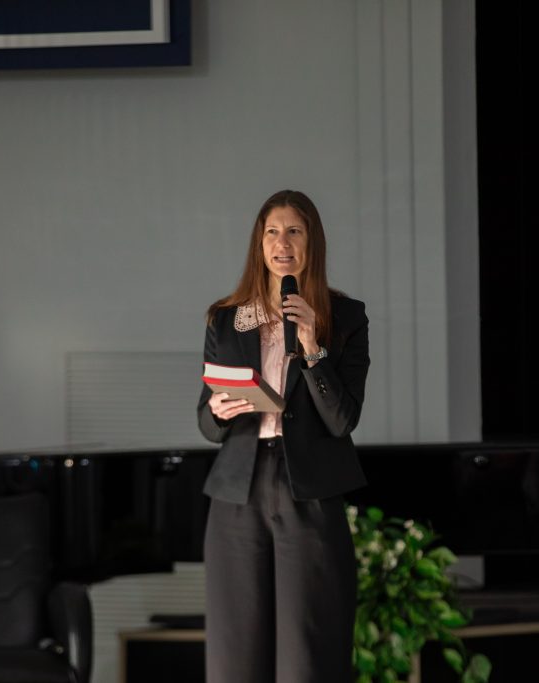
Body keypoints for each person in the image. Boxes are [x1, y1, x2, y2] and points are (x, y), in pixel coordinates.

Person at [196, 189, 371, 683]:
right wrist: (218, 409)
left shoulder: (345, 318)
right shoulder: (225, 319)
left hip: (308, 490)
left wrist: (313, 349)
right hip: (236, 491)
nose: (282, 242)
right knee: (235, 656)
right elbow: (206, 425)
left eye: (294, 230)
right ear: (259, 243)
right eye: (271, 231)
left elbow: (342, 420)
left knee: (307, 654)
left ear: (312, 241)